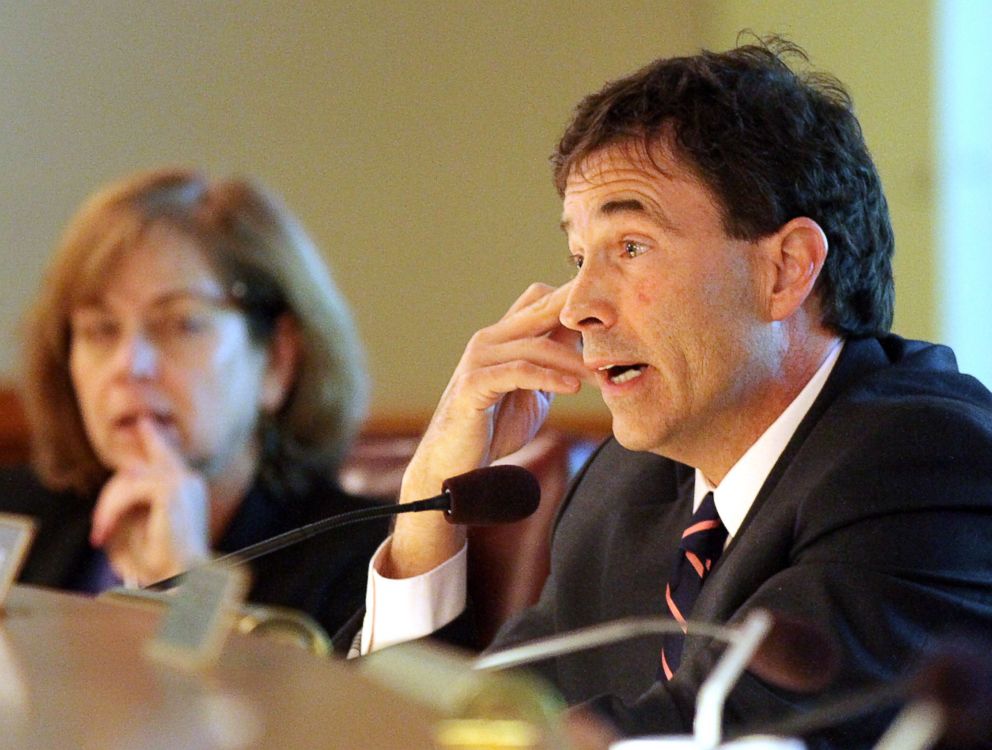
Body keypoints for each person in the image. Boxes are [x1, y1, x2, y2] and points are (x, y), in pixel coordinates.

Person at [357, 37, 992, 747]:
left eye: (630, 247)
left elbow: (735, 734)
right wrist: (430, 493)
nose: (578, 308)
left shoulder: (924, 461)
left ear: (786, 270)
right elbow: (481, 710)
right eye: (577, 257)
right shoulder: (626, 484)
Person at [1, 168, 389, 648]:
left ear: (276, 360)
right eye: (101, 329)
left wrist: (184, 582)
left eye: (181, 324)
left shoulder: (371, 562)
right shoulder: (14, 509)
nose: (129, 365)